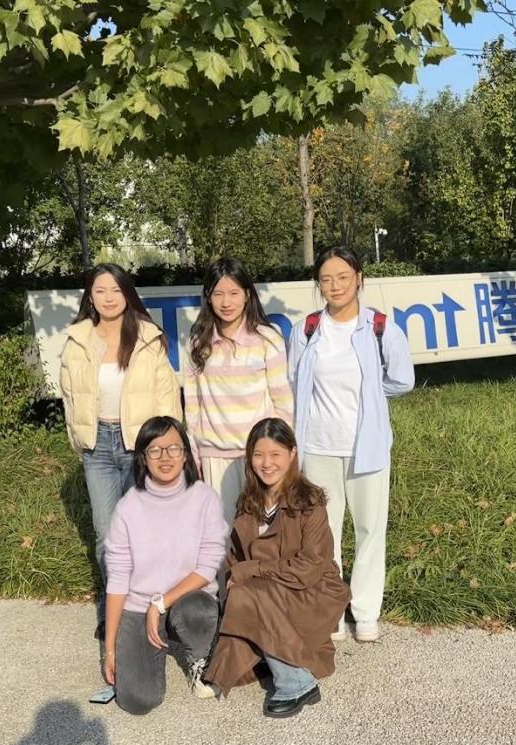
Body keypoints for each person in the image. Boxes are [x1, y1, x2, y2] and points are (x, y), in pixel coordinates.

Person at [287, 247, 415, 643]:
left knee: (370, 529)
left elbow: (402, 379)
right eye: (326, 279)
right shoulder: (307, 330)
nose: (335, 286)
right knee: (323, 532)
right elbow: (294, 383)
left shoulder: (380, 328)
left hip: (367, 448)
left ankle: (365, 612)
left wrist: (372, 398)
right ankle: (331, 611)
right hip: (318, 447)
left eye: (343, 277)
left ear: (359, 278)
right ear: (318, 284)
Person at [59, 264, 181, 632]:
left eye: (115, 290)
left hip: (140, 447)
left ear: (127, 294)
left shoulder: (147, 339)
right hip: (97, 448)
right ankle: (115, 611)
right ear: (90, 297)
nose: (108, 298)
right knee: (106, 535)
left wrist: (166, 448)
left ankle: (152, 607)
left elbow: (167, 396)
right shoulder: (78, 340)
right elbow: (69, 396)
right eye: (100, 291)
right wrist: (80, 439)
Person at [204, 418, 349, 719]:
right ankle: (272, 656)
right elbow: (235, 557)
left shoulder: (310, 502)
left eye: (275, 454)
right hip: (269, 591)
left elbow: (310, 567)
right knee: (246, 592)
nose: (266, 463)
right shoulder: (249, 501)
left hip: (311, 591)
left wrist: (251, 570)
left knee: (251, 593)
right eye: (258, 455)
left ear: (292, 454)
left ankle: (296, 682)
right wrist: (238, 576)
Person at [102, 416, 228, 715]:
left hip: (187, 601)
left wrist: (160, 603)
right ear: (143, 458)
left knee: (198, 611)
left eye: (173, 448)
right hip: (139, 605)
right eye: (155, 450)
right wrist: (110, 649)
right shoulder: (128, 507)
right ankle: (153, 646)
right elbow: (118, 578)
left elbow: (208, 566)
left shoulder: (205, 498)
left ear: (185, 454)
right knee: (137, 700)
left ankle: (199, 658)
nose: (165, 457)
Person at [184, 257, 294, 524]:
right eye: (218, 294)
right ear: (208, 297)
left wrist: (281, 451)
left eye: (234, 293)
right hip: (214, 457)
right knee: (222, 535)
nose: (226, 302)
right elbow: (192, 406)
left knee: (263, 532)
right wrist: (194, 452)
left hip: (259, 457)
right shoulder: (198, 343)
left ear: (247, 295)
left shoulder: (268, 339)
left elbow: (283, 402)